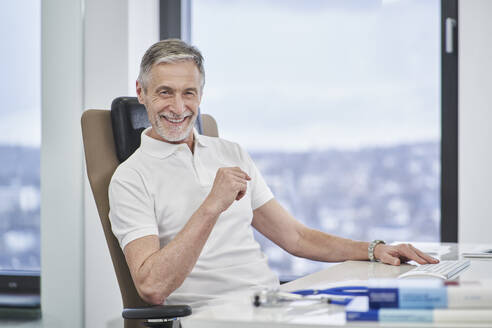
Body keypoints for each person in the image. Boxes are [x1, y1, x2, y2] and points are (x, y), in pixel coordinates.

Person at [108, 39, 438, 309]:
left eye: (188, 93)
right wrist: (211, 206)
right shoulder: (130, 178)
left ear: (201, 96)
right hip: (211, 315)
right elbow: (152, 286)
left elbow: (295, 238)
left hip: (271, 304)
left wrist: (375, 250)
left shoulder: (230, 152)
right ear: (141, 92)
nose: (178, 108)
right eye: (165, 92)